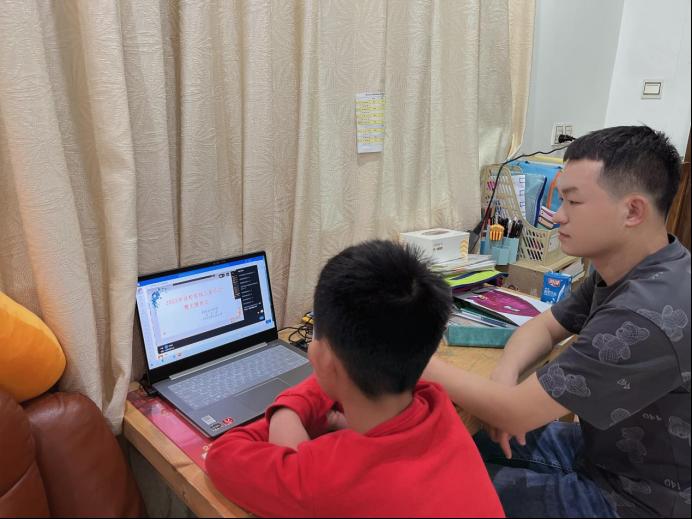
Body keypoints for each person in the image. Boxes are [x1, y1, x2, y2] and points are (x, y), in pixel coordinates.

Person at [424, 125, 691, 518]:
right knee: (449, 445)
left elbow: (515, 412)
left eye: (573, 201)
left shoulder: (644, 314)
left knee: (432, 490)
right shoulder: (632, 265)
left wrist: (416, 362)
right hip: (602, 455)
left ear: (633, 211)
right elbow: (544, 326)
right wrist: (504, 380)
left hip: (638, 500)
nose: (558, 215)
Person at [206, 240, 504, 517]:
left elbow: (221, 456)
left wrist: (286, 411)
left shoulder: (324, 482)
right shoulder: (437, 405)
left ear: (324, 359)